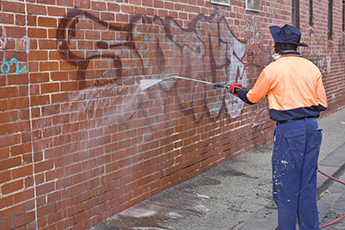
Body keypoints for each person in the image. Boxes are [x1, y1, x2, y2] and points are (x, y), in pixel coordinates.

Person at [229, 24, 328, 230]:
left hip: (289, 131)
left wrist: (237, 91)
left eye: (275, 41)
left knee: (287, 187)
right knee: (307, 184)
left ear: (280, 45)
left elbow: (253, 97)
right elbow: (322, 103)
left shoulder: (273, 69)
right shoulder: (311, 68)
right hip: (312, 129)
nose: (273, 44)